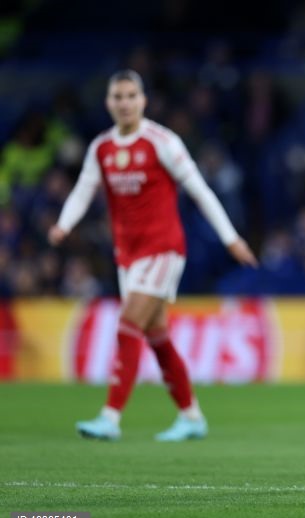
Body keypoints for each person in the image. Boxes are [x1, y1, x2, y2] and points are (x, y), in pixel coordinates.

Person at [49, 70, 257, 442]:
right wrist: (64, 224)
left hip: (162, 248)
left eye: (131, 96)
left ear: (143, 100)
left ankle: (110, 417)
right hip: (126, 254)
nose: (125, 103)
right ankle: (191, 416)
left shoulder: (162, 141)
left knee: (128, 324)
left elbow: (200, 190)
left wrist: (231, 238)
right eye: (118, 96)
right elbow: (83, 190)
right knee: (156, 334)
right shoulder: (102, 147)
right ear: (108, 102)